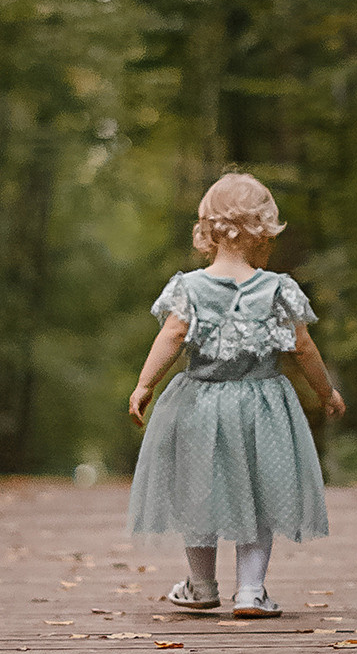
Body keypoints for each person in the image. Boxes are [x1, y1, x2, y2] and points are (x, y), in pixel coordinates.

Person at [126, 171, 345, 618]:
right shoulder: (278, 289)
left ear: (208, 230)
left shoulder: (189, 287)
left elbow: (173, 334)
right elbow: (302, 346)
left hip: (199, 403)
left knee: (196, 491)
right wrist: (326, 392)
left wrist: (145, 383)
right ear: (264, 232)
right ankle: (250, 590)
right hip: (263, 406)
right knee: (260, 493)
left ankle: (202, 584)